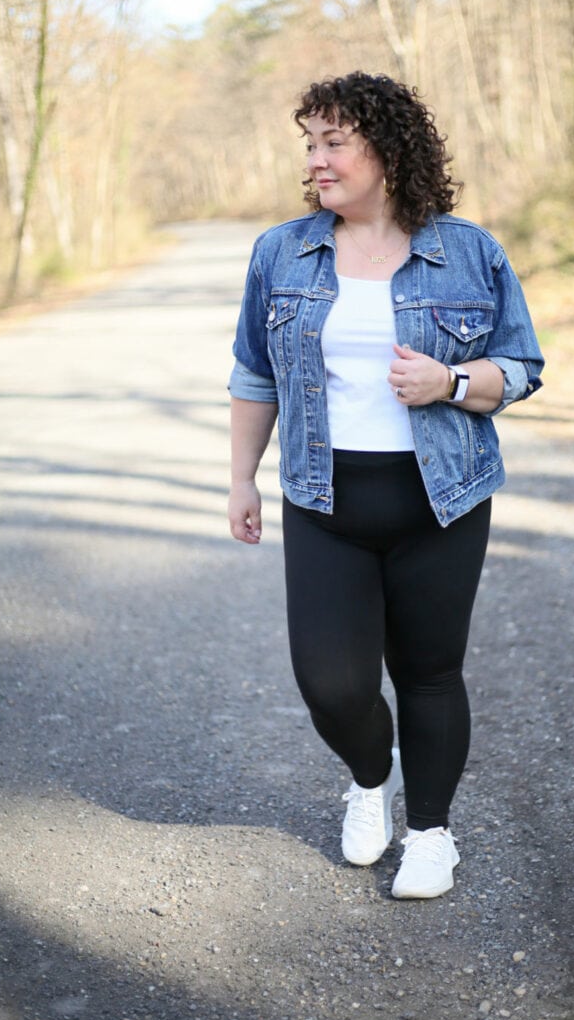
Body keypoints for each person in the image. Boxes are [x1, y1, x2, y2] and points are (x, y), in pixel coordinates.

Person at [227, 71, 543, 900]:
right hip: (325, 499)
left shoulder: (469, 251)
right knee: (331, 681)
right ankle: (372, 777)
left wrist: (451, 381)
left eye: (335, 142)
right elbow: (253, 373)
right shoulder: (281, 251)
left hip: (442, 497)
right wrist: (241, 480)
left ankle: (432, 833)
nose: (316, 160)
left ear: (388, 150)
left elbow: (521, 366)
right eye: (311, 144)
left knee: (430, 671)